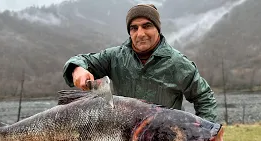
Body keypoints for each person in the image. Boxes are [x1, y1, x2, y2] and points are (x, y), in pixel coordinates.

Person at [62, 4, 217, 122]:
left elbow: (204, 98)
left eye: (147, 26)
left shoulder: (178, 64)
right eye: (134, 28)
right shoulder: (114, 57)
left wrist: (205, 134)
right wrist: (77, 69)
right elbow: (82, 60)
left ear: (157, 28)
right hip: (123, 139)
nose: (140, 33)